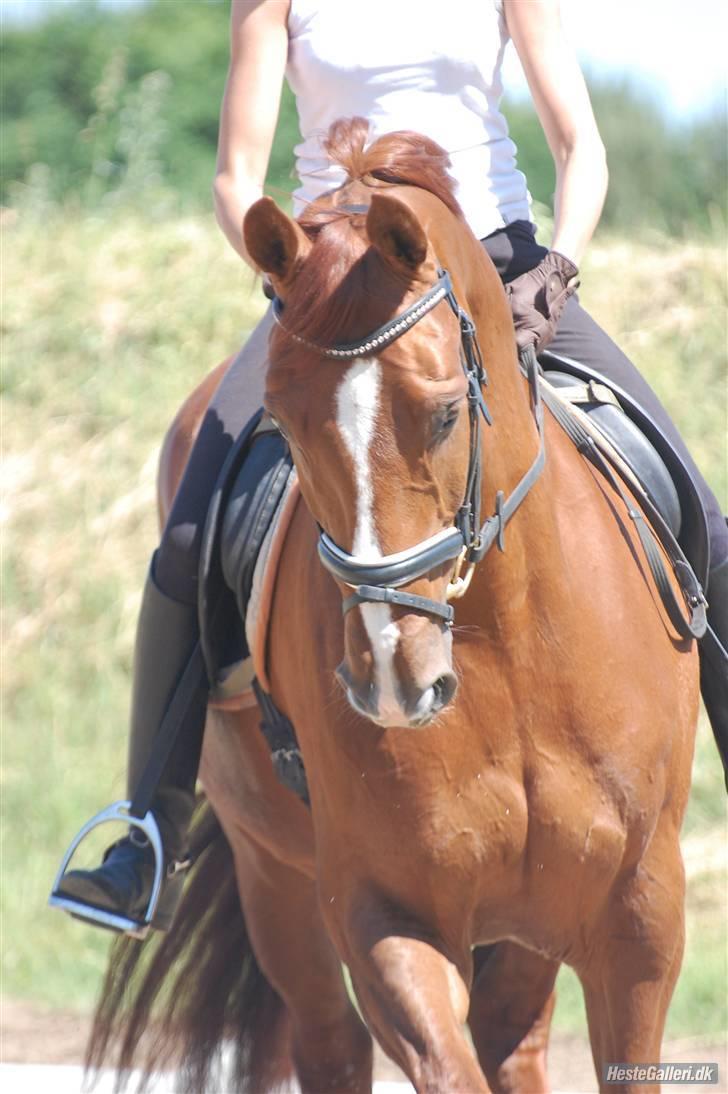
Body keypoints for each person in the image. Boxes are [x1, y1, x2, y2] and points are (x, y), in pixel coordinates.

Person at [56, 0, 728, 933]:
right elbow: (234, 180)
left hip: (494, 259)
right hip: (333, 278)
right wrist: (294, 276)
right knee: (188, 531)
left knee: (697, 510)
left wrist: (558, 270)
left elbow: (584, 149)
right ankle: (146, 836)